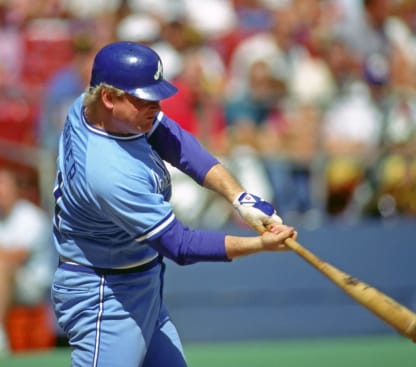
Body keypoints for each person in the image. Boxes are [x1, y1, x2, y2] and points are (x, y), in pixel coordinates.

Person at [50, 41, 295, 367]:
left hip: (137, 278)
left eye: (156, 97)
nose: (154, 106)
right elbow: (179, 244)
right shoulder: (108, 173)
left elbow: (177, 143)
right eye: (143, 98)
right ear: (109, 98)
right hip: (105, 296)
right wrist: (259, 245)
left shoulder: (94, 107)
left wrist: (240, 197)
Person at [0, 166, 54, 356]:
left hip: (33, 287)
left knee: (2, 266)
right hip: (9, 284)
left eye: (3, 184)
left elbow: (17, 256)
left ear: (15, 189)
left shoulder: (32, 217)